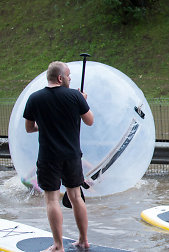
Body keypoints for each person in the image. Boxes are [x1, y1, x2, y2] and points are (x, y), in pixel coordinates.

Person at [23, 61, 94, 252]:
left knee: (52, 200)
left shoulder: (35, 98)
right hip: (71, 156)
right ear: (60, 78)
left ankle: (58, 246)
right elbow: (89, 121)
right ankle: (83, 240)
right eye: (69, 75)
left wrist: (44, 126)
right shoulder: (75, 96)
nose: (70, 79)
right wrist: (83, 101)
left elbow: (29, 128)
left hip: (48, 157)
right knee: (76, 196)